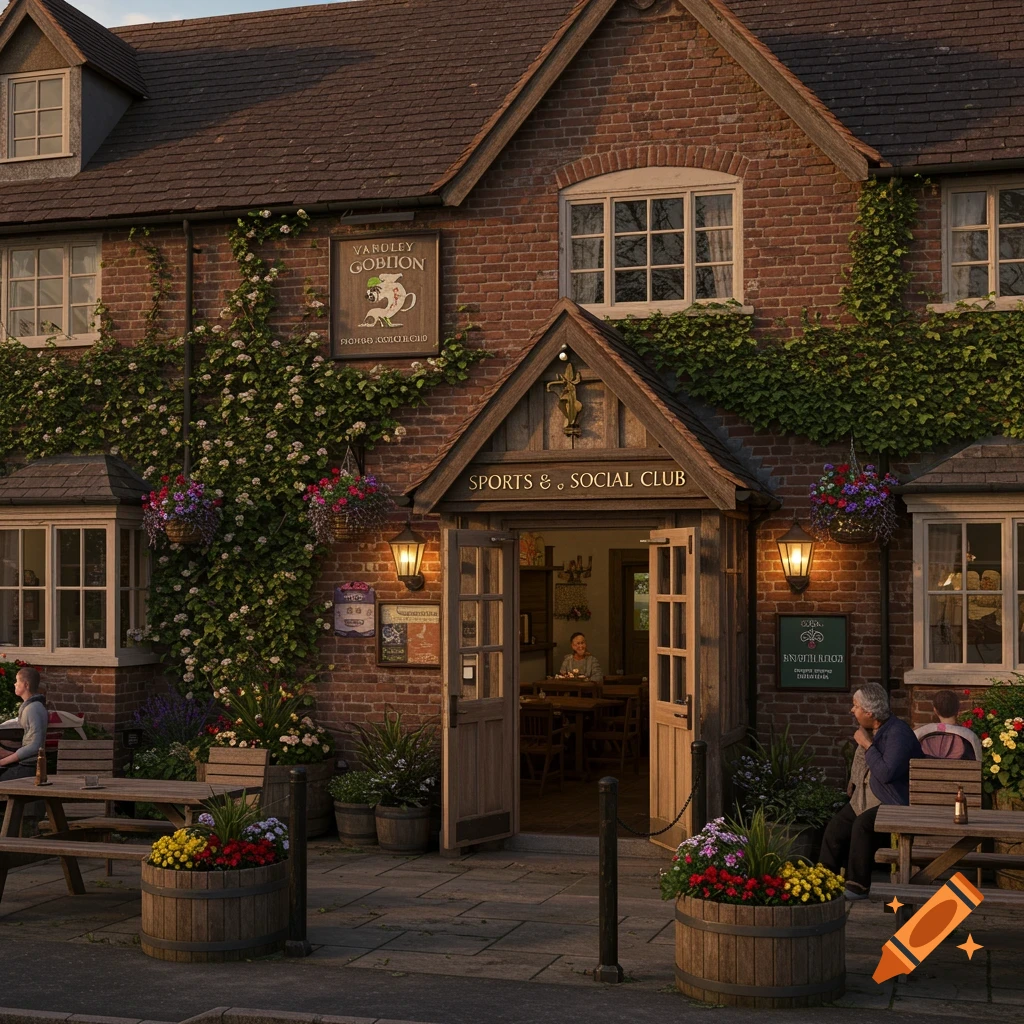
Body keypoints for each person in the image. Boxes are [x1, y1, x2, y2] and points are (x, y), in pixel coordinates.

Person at [819, 683, 923, 900]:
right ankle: (822, 881)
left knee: (863, 825)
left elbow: (885, 773)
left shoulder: (898, 734)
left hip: (891, 801)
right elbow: (861, 763)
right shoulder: (872, 729)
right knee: (834, 829)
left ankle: (858, 886)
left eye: (856, 706)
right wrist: (853, 781)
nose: (852, 710)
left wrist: (868, 745)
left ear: (870, 713)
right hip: (866, 797)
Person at [0, 667, 48, 782]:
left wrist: (3, 761)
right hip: (26, 764)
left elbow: (35, 746)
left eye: (17, 681)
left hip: (29, 768)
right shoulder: (33, 706)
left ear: (26, 685)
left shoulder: (33, 708)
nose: (15, 684)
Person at [915, 689, 981, 760]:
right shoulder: (970, 737)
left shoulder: (918, 735)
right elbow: (978, 762)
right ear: (958, 708)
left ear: (935, 710)